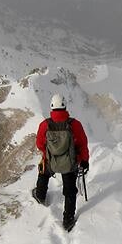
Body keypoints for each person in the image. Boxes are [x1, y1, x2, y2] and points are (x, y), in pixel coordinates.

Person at [32, 93, 89, 231]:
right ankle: (68, 220)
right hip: (70, 164)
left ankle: (40, 195)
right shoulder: (74, 124)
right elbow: (82, 144)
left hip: (51, 162)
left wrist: (49, 154)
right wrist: (84, 160)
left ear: (52, 107)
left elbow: (39, 144)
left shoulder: (45, 125)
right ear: (65, 106)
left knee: (43, 173)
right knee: (70, 191)